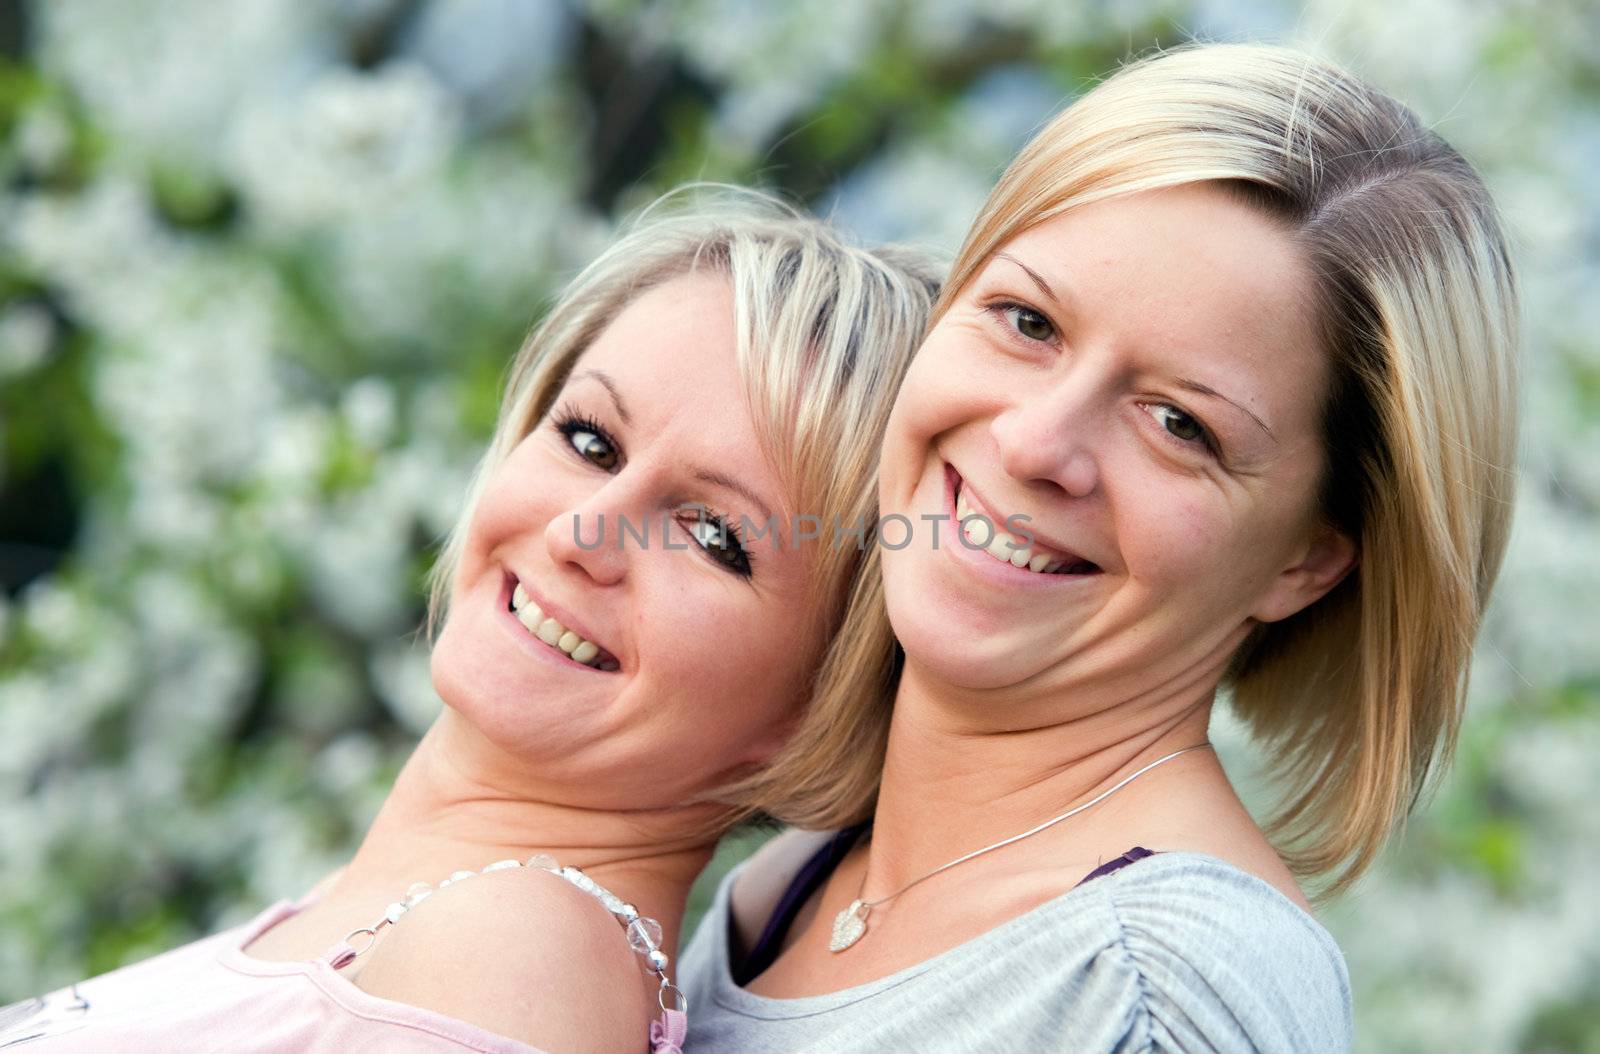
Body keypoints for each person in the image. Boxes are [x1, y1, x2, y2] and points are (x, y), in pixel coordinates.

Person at [678, 42, 1521, 1052]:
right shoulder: (790, 883)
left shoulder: (1158, 996)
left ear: (1308, 559)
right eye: (1025, 320)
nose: (1035, 442)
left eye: (1179, 425)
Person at [0, 189, 941, 1052]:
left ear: (817, 705)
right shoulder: (407, 928)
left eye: (713, 536)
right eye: (589, 439)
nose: (581, 533)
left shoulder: (518, 958)